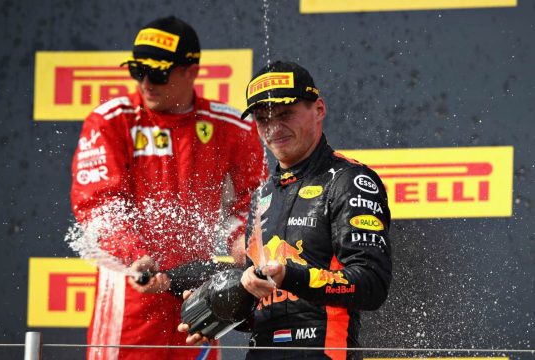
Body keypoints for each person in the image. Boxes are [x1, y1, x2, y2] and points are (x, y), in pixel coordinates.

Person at [70, 16, 266, 360]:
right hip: (130, 296)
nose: (145, 82)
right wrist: (134, 255)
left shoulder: (231, 126)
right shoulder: (111, 120)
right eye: (136, 71)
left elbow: (252, 205)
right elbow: (99, 206)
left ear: (191, 70)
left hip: (198, 294)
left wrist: (243, 246)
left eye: (158, 73)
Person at [179, 61, 392, 360]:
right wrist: (224, 307)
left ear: (318, 109)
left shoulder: (349, 180)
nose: (273, 128)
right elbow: (264, 303)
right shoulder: (261, 195)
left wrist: (289, 276)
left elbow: (372, 284)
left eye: (284, 114)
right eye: (262, 119)